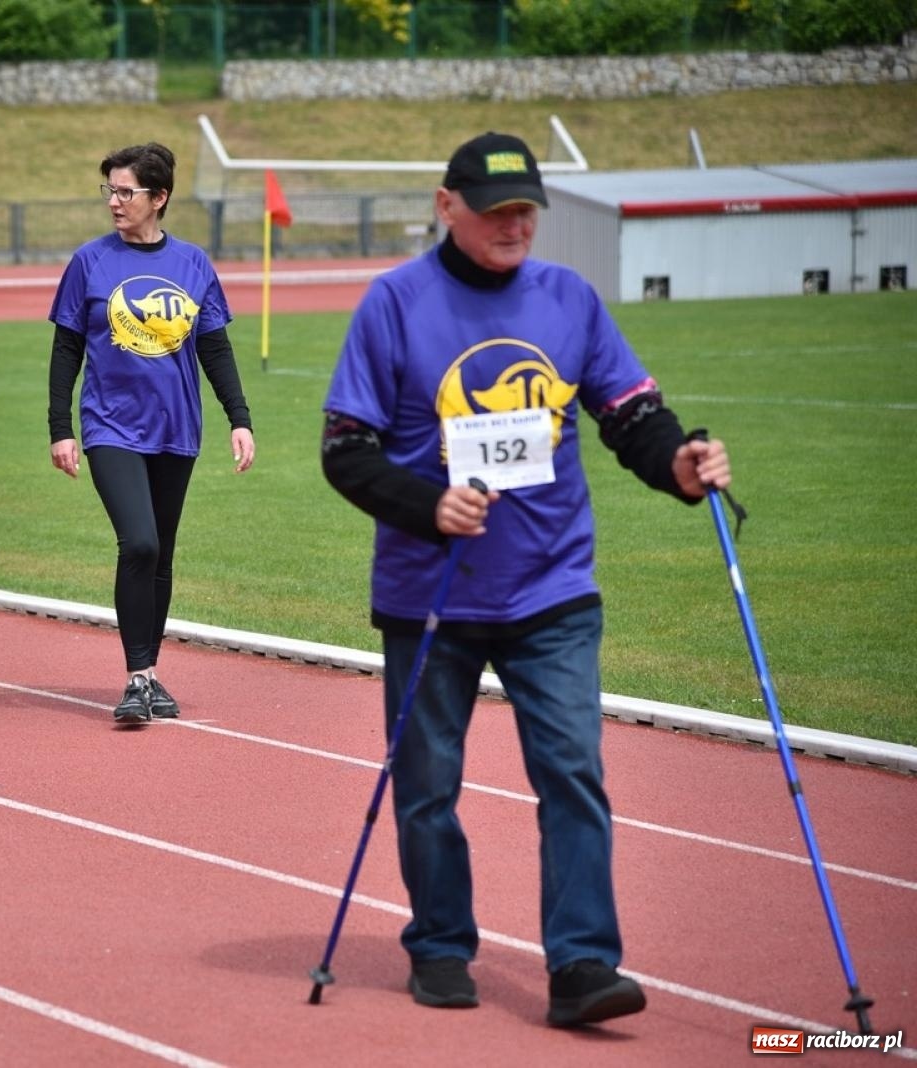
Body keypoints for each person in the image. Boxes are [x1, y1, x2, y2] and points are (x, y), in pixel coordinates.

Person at [321, 131, 730, 1027]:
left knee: (573, 772)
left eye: (525, 210)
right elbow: (345, 451)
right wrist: (430, 506)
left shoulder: (568, 298)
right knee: (428, 787)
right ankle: (440, 944)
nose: (513, 224)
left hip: (552, 590)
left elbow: (633, 415)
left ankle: (582, 966)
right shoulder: (395, 303)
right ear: (447, 206)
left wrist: (678, 466)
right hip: (430, 598)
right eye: (494, 209)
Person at [48, 142, 255, 726]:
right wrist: (60, 428)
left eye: (126, 192)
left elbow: (215, 348)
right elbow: (66, 349)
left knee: (161, 551)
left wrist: (240, 418)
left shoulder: (193, 263)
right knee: (138, 543)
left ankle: (149, 675)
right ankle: (136, 675)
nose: (114, 202)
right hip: (110, 425)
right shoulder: (90, 261)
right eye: (109, 191)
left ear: (158, 197)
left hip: (176, 427)